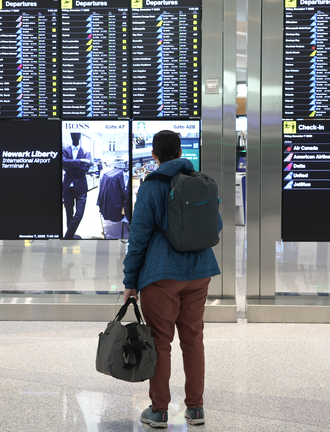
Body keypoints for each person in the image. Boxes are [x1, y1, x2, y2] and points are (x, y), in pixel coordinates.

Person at [122, 130, 221, 428]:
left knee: (160, 342)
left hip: (162, 275)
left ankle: (160, 410)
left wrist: (130, 282)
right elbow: (213, 224)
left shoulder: (152, 186)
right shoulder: (202, 181)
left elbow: (138, 237)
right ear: (180, 152)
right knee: (193, 339)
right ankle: (196, 409)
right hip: (201, 271)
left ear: (154, 155)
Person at [62, 132, 93, 239]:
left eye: (77, 135)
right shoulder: (65, 150)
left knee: (79, 214)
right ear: (71, 136)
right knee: (68, 212)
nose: (75, 137)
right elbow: (63, 163)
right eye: (73, 135)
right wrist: (80, 161)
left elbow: (86, 168)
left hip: (81, 186)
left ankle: (67, 236)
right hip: (67, 186)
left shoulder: (86, 152)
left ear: (80, 137)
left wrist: (71, 166)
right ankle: (70, 236)